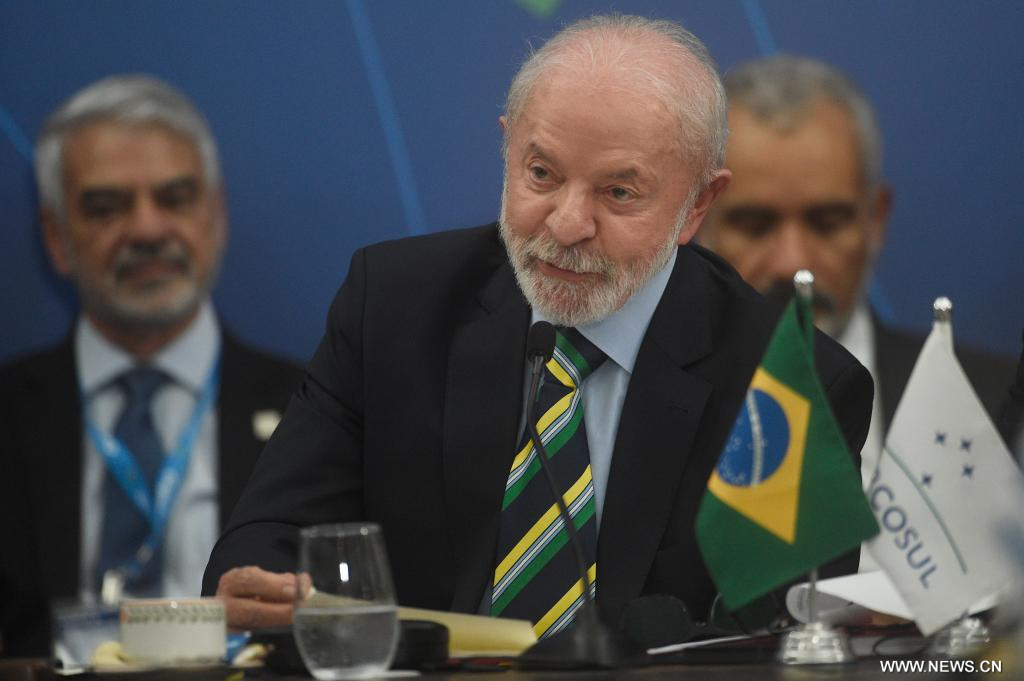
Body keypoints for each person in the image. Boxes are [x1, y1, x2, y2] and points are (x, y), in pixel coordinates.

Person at [203, 16, 872, 637]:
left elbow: (785, 640)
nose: (567, 224)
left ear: (699, 203)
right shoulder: (394, 308)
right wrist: (261, 585)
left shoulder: (786, 383)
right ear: (507, 147)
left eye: (618, 192)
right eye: (542, 173)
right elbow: (270, 537)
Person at [0, 75, 303, 657]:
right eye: (106, 207)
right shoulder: (8, 414)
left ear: (217, 215)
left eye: (174, 198)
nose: (146, 229)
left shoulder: (314, 410)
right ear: (56, 238)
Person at [698, 55, 1014, 475]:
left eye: (828, 223)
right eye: (755, 225)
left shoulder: (998, 408)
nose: (794, 264)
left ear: (876, 218)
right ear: (697, 218)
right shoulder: (641, 403)